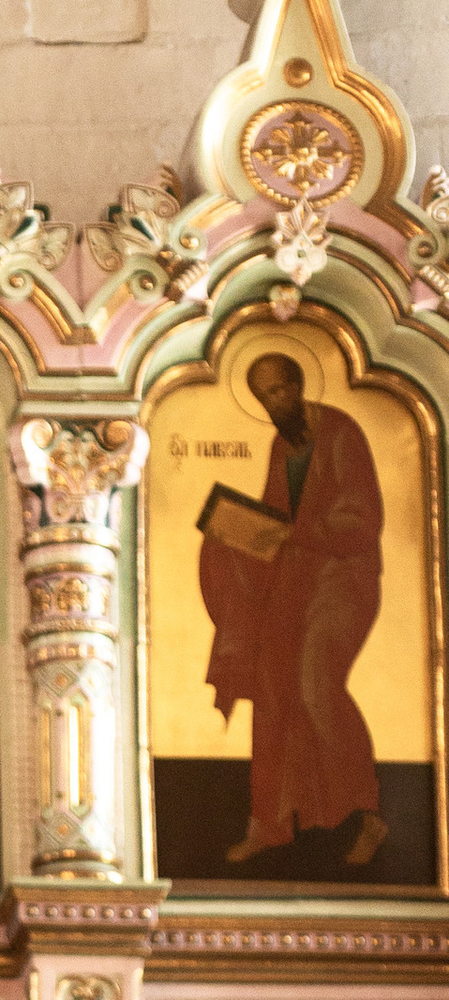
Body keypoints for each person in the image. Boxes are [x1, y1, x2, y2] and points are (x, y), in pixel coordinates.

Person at [201, 353, 387, 874]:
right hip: (298, 583)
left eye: (279, 391)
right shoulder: (282, 445)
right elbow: (274, 518)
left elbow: (359, 524)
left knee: (314, 682)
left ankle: (367, 815)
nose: (272, 403)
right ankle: (271, 824)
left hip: (344, 583)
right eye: (263, 396)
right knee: (273, 681)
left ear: (299, 384)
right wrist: (237, 531)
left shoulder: (341, 435)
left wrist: (289, 533)